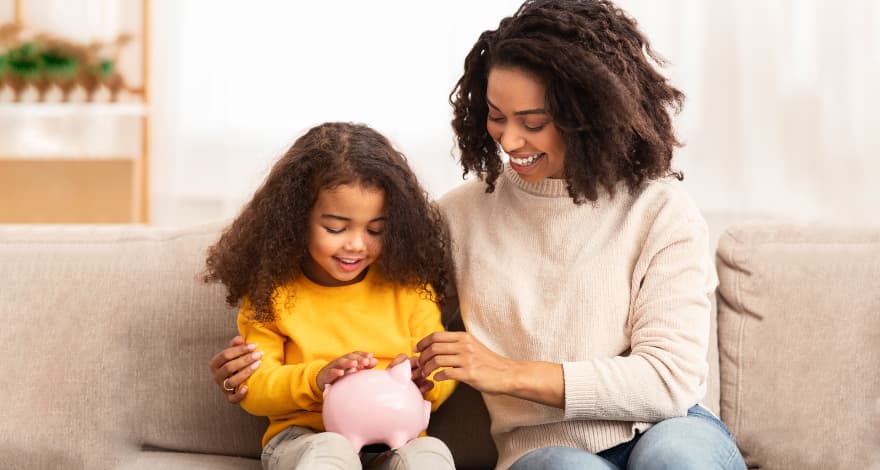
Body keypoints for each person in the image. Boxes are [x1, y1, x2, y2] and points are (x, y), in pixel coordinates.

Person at [210, 1, 747, 469]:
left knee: (675, 457)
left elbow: (669, 380)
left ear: (590, 113)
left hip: (667, 428)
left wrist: (508, 374)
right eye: (495, 117)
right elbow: (370, 301)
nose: (510, 140)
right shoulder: (457, 218)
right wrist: (258, 370)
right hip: (542, 448)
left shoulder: (660, 211)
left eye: (532, 122)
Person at [203, 122, 457, 470]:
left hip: (400, 437)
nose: (355, 244)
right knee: (332, 452)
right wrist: (317, 379)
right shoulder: (273, 294)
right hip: (305, 438)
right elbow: (255, 387)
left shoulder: (409, 288)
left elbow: (442, 365)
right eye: (336, 228)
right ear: (296, 219)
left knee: (431, 456)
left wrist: (425, 381)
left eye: (375, 230)